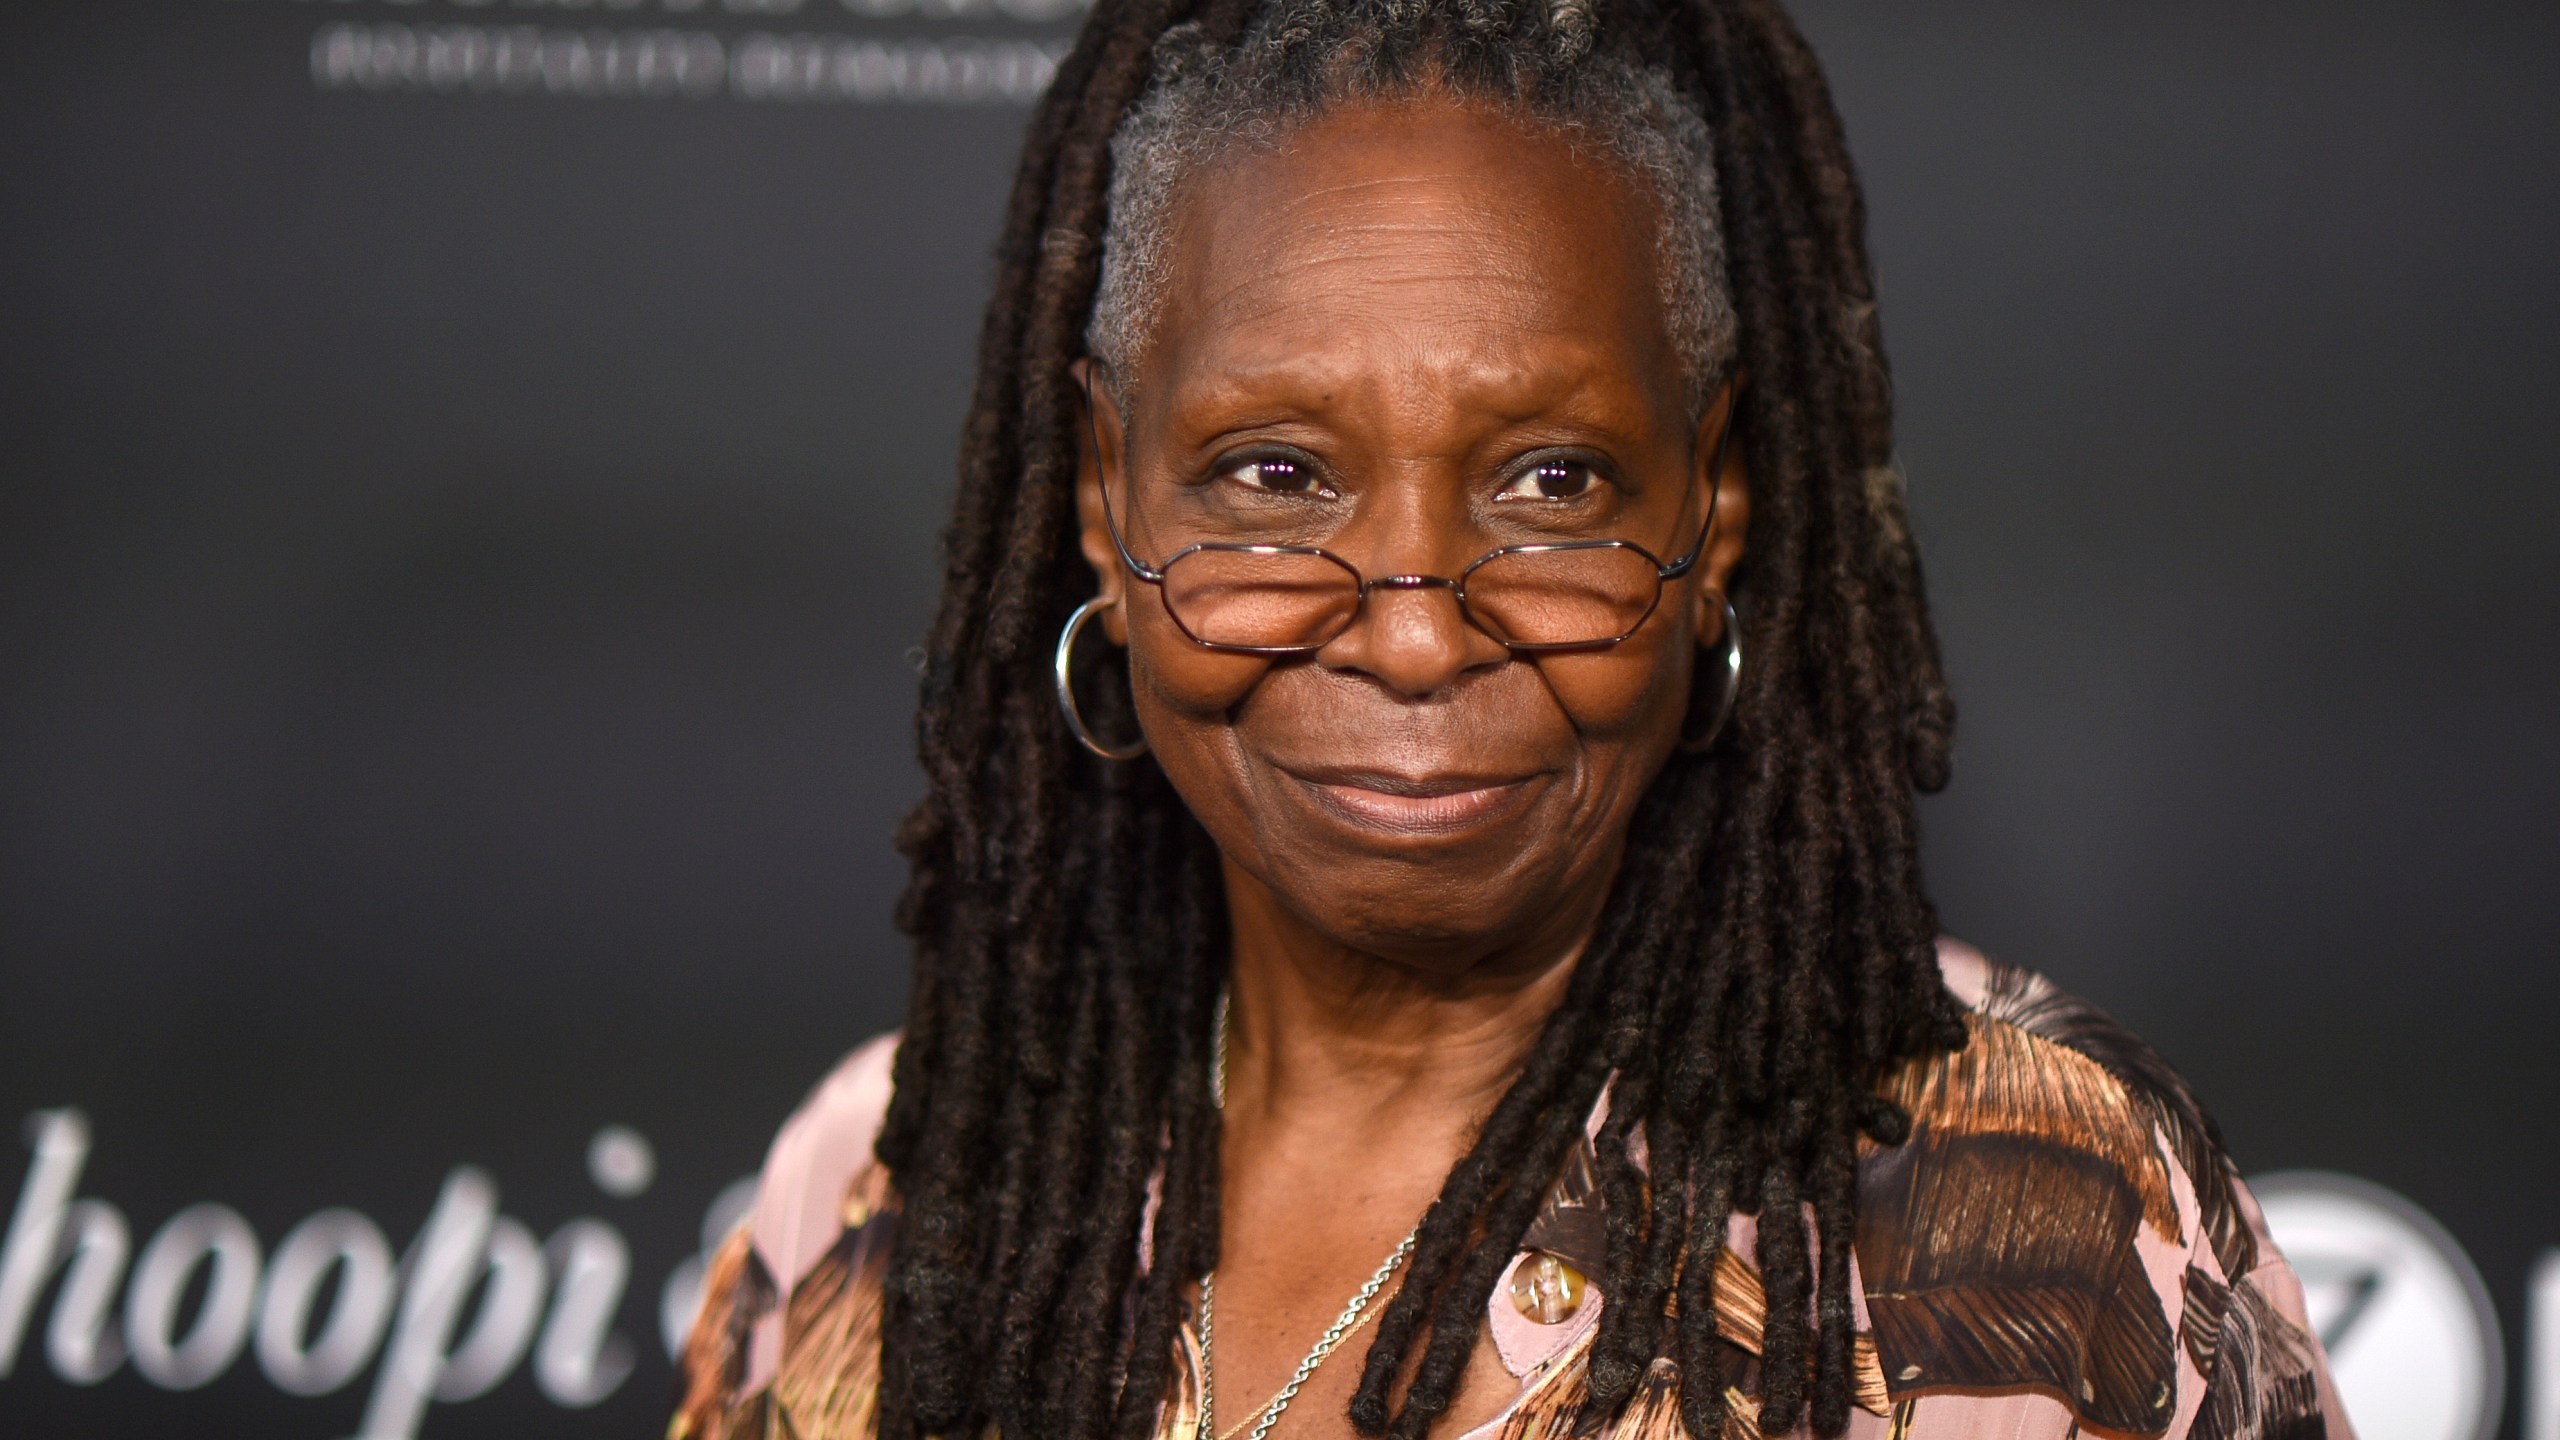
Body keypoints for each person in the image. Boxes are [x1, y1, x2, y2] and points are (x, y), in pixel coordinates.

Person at [673, 0, 2353, 1435]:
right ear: (1110, 503)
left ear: (1718, 511)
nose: (1413, 634)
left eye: (1554, 482)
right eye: (1278, 475)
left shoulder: (2024, 1212)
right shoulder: (882, 1188)